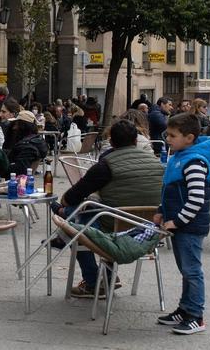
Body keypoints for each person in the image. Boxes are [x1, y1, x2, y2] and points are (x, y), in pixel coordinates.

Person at [56, 120, 164, 298]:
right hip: (148, 226)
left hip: (114, 225)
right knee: (79, 213)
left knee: (76, 220)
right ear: (136, 141)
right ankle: (102, 276)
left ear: (111, 142)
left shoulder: (105, 165)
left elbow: (70, 198)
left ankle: (94, 282)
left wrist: (63, 207)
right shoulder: (156, 162)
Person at [154, 113, 210, 335]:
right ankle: (184, 309)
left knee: (192, 271)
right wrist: (161, 211)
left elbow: (196, 199)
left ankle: (196, 316)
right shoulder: (181, 156)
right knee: (186, 270)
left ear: (189, 137)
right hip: (180, 224)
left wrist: (177, 220)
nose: (168, 139)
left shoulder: (194, 162)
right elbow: (169, 190)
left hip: (189, 226)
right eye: (167, 134)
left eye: (172, 135)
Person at [6, 110, 48, 175]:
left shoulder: (26, 147)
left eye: (16, 124)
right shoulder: (36, 142)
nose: (14, 128)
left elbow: (19, 170)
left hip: (14, 180)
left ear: (23, 127)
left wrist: (0, 163)